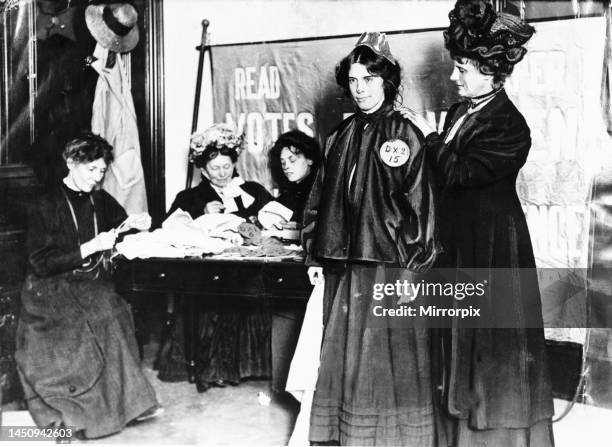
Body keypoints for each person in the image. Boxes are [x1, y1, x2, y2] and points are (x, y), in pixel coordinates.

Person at [402, 1, 554, 446]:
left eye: (464, 70)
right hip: (456, 242)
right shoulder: (457, 113)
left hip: (493, 246)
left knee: (492, 345)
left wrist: (427, 137)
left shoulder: (511, 126)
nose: (454, 78)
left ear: (493, 73)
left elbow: (460, 174)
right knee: (455, 340)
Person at [301, 32, 439, 445]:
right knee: (344, 358)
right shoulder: (338, 137)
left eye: (370, 80)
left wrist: (413, 269)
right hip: (343, 264)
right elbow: (319, 201)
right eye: (354, 80)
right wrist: (313, 255)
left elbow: (421, 204)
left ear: (387, 82)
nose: (360, 89)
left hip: (387, 265)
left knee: (384, 359)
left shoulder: (404, 133)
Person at [15, 132, 160, 439]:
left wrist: (132, 225)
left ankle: (128, 404)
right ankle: (83, 410)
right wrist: (91, 246)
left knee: (115, 310)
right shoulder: (45, 202)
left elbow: (117, 227)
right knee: (97, 314)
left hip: (88, 281)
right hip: (47, 288)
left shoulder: (99, 198)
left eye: (101, 172)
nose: (96, 179)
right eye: (91, 170)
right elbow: (40, 263)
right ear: (70, 163)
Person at [162, 123, 272, 392]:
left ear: (235, 163)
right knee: (218, 297)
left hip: (250, 265)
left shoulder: (254, 191)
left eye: (227, 167)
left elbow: (274, 221)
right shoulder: (190, 197)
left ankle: (253, 366)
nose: (222, 173)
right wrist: (202, 214)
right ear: (202, 169)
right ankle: (216, 369)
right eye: (215, 168)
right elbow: (169, 231)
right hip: (210, 270)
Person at [264, 130, 321, 393]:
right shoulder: (289, 192)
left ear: (309, 159)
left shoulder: (322, 186)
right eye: (282, 161)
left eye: (292, 159)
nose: (286, 166)